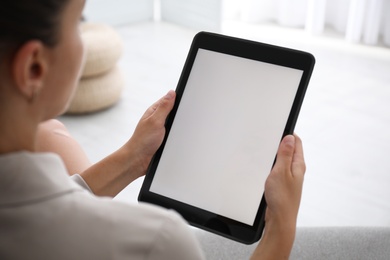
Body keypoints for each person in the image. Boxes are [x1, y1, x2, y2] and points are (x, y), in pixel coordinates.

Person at [0, 0, 306, 259]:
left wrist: (134, 157)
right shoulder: (158, 241)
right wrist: (280, 231)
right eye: (79, 22)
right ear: (33, 68)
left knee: (52, 134)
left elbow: (45, 212)